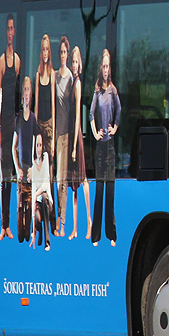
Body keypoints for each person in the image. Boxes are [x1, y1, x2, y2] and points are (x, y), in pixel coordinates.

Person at [90, 48, 120, 246]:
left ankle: (112, 235)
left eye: (108, 66)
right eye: (104, 66)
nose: (106, 70)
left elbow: (119, 110)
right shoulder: (98, 90)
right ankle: (96, 236)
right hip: (99, 149)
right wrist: (94, 133)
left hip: (110, 148)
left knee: (110, 194)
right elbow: (91, 113)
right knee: (99, 193)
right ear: (100, 68)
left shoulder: (113, 90)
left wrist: (114, 128)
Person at [0, 15, 20, 241]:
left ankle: (9, 224)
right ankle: (3, 224)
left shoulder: (19, 61)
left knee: (13, 174)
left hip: (14, 121)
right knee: (4, 175)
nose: (10, 32)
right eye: (8, 28)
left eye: (13, 28)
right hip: (4, 120)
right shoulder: (3, 60)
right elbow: (0, 94)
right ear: (6, 32)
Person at [67, 45, 93, 240]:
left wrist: (75, 145)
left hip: (76, 139)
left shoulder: (77, 84)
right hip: (71, 136)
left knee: (82, 180)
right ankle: (75, 227)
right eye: (72, 61)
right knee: (74, 184)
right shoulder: (71, 81)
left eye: (76, 62)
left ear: (80, 64)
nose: (74, 65)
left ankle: (89, 221)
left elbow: (77, 117)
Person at [35, 34, 57, 238]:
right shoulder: (38, 74)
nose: (45, 53)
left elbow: (52, 104)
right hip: (39, 125)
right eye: (42, 49)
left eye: (47, 50)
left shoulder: (52, 74)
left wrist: (53, 130)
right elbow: (35, 103)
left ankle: (52, 217)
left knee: (49, 172)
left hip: (49, 126)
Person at [54, 36, 74, 238]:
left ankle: (62, 221)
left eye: (64, 52)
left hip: (66, 135)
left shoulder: (71, 79)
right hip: (55, 134)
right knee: (54, 179)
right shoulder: (54, 76)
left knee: (63, 181)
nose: (62, 55)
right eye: (60, 52)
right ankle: (55, 220)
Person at [14, 76, 36, 244]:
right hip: (21, 170)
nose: (27, 93)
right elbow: (13, 147)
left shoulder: (33, 119)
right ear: (22, 94)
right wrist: (18, 168)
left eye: (29, 89)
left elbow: (37, 145)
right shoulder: (18, 119)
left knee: (31, 205)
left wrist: (32, 168)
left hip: (31, 170)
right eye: (25, 89)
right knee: (19, 203)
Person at [30, 126, 52, 251]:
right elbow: (33, 189)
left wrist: (36, 195)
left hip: (47, 201)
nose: (39, 148)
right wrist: (33, 228)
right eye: (37, 145)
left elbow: (45, 184)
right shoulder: (33, 165)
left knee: (43, 197)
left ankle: (47, 241)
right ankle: (38, 235)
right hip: (37, 203)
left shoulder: (46, 157)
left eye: (40, 145)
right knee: (37, 216)